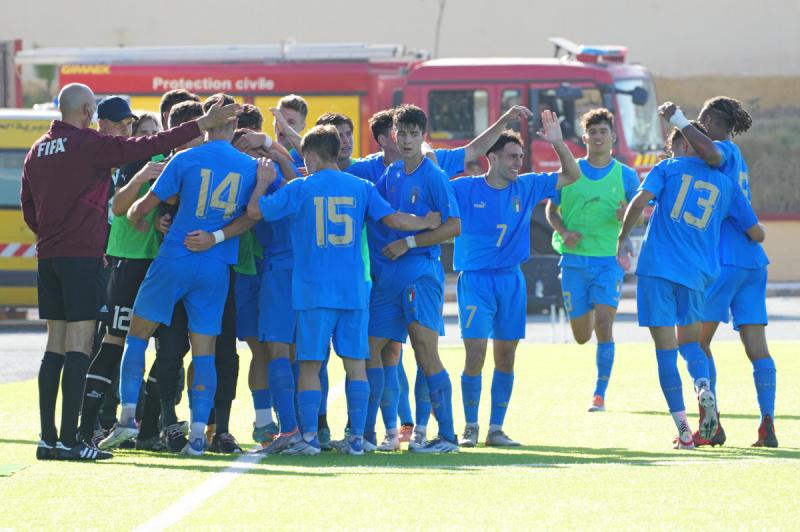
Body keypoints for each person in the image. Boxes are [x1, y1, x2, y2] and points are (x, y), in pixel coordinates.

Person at [21, 83, 238, 461]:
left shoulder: (37, 149)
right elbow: (143, 147)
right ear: (88, 110)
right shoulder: (88, 144)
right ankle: (72, 440)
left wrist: (51, 235)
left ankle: (47, 438)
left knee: (54, 344)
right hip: (81, 255)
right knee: (80, 343)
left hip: (49, 255)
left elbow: (28, 208)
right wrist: (201, 122)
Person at [246, 124, 440, 455]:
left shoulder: (301, 187)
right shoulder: (361, 186)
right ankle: (356, 438)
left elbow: (255, 212)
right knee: (355, 364)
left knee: (310, 364)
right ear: (336, 152)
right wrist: (425, 222)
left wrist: (263, 183)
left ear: (309, 155)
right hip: (353, 290)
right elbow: (393, 220)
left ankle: (307, 438)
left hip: (312, 292)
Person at [97, 93, 260, 456]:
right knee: (206, 351)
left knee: (137, 336)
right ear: (234, 125)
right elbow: (253, 214)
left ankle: (126, 418)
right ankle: (200, 433)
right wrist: (217, 235)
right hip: (216, 263)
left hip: (175, 256)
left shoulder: (186, 158)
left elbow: (141, 206)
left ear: (206, 121)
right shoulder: (249, 166)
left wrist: (142, 217)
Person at [617, 124, 765, 449]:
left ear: (681, 144)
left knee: (665, 350)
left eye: (672, 146)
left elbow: (641, 200)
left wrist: (622, 237)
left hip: (658, 269)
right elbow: (756, 232)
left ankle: (684, 430)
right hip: (699, 274)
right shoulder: (726, 184)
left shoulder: (667, 168)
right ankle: (703, 387)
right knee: (691, 344)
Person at [453, 112, 581, 447]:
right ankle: (469, 426)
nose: (518, 163)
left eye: (521, 157)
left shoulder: (527, 185)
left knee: (506, 356)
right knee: (475, 354)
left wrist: (557, 142)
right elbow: (432, 201)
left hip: (511, 281)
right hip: (476, 281)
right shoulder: (465, 189)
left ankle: (496, 428)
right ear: (491, 158)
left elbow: (572, 173)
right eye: (512, 157)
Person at [659, 97, 777, 447]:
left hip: (721, 261)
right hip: (754, 262)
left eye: (700, 122)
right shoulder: (736, 157)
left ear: (709, 119)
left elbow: (710, 154)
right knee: (757, 349)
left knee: (694, 342)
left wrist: (679, 120)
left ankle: (710, 425)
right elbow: (752, 225)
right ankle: (767, 422)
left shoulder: (721, 150)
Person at [366, 104, 462, 453]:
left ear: (424, 136)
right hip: (388, 278)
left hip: (420, 274)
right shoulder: (390, 173)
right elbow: (376, 208)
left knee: (424, 351)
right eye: (401, 133)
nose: (406, 140)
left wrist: (410, 241)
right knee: (369, 350)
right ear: (393, 136)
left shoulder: (433, 175)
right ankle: (368, 433)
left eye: (413, 133)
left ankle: (447, 435)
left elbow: (453, 226)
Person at [545, 108, 640, 412]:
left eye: (604, 131)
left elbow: (637, 215)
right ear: (584, 137)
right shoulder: (572, 171)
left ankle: (599, 393)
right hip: (573, 261)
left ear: (613, 136)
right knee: (582, 335)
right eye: (593, 132)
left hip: (608, 261)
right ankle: (595, 377)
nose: (598, 137)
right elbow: (550, 210)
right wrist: (563, 230)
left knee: (604, 323)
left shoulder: (625, 174)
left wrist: (626, 219)